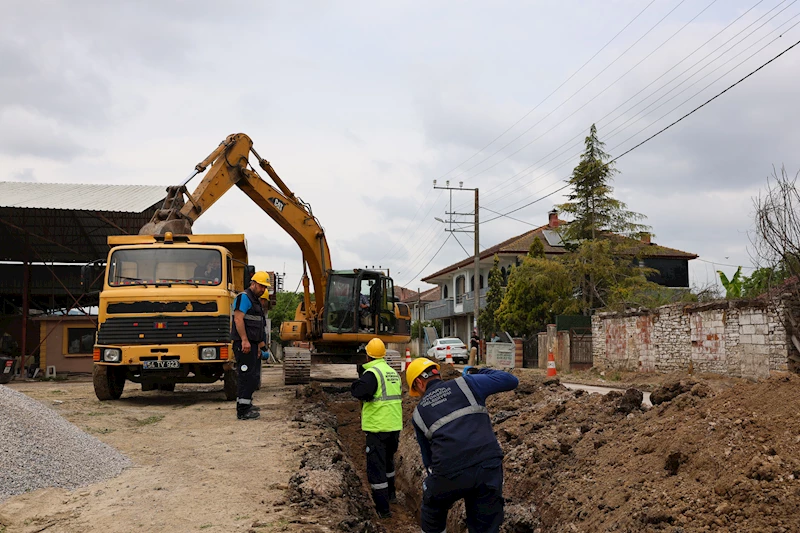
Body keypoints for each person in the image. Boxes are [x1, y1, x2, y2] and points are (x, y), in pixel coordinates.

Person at [406, 358, 519, 533]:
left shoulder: (418, 413)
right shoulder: (466, 383)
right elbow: (511, 380)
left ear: (419, 383)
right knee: (486, 526)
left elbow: (428, 461)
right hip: (487, 465)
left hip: (449, 471)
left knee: (432, 510)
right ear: (437, 373)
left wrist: (437, 486)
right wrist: (476, 372)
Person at [350, 338, 402, 519]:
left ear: (368, 355)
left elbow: (359, 392)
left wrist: (358, 380)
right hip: (394, 426)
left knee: (376, 468)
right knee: (388, 462)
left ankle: (383, 509)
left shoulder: (372, 373)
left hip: (378, 428)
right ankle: (391, 495)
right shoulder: (392, 372)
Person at [231, 271, 271, 420]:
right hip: (244, 345)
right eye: (261, 286)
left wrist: (261, 346)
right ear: (253, 283)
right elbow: (238, 320)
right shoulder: (244, 298)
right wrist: (244, 340)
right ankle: (242, 410)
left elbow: (258, 326)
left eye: (265, 287)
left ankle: (247, 404)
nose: (263, 290)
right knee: (246, 376)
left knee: (253, 377)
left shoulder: (255, 302)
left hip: (252, 345)